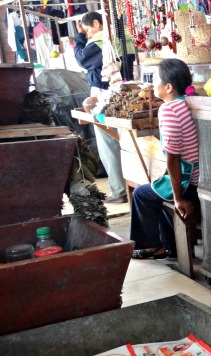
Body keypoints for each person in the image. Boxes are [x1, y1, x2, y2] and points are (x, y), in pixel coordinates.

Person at [130, 59, 199, 259]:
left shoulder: (169, 110)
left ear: (168, 87)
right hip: (198, 177)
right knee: (157, 189)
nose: (152, 85)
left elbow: (173, 159)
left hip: (190, 184)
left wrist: (178, 199)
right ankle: (172, 246)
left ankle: (152, 246)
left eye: (156, 80)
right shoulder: (187, 102)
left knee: (141, 194)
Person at [74, 11, 127, 203]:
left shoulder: (101, 41)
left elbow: (81, 59)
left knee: (108, 143)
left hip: (107, 97)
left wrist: (79, 37)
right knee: (124, 143)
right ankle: (124, 187)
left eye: (87, 29)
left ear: (97, 23)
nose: (87, 34)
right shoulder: (124, 37)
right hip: (122, 93)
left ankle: (119, 190)